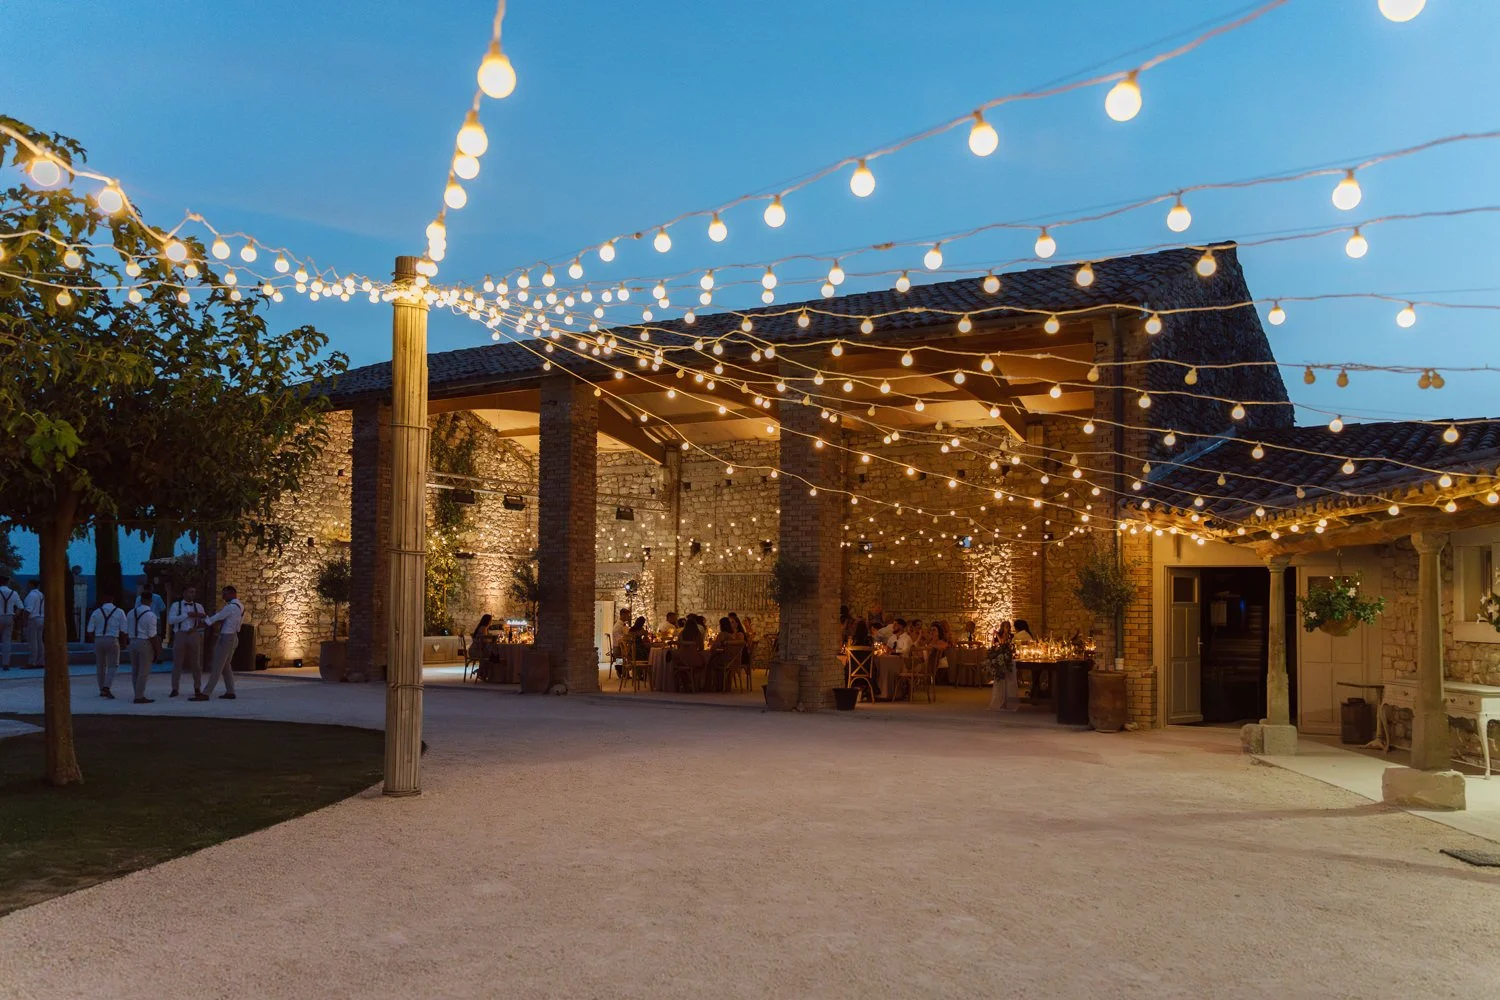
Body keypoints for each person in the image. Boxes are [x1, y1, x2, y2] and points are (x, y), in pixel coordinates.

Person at [195, 586, 243, 701]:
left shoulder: (230, 607)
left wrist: (204, 620)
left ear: (232, 593)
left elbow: (216, 618)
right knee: (226, 666)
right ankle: (230, 691)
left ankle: (206, 693)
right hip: (233, 637)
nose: (223, 597)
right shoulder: (241, 606)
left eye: (225, 594)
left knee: (217, 666)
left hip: (226, 637)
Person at [168, 586, 207, 698]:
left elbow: (204, 620)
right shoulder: (176, 605)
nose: (192, 594)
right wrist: (186, 615)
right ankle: (175, 688)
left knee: (196, 663)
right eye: (190, 592)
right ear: (184, 593)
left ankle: (197, 688)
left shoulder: (198, 606)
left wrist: (200, 621)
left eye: (194, 592)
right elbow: (171, 620)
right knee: (177, 663)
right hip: (180, 634)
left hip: (194, 634)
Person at [86, 593, 128, 698]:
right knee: (113, 664)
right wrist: (124, 643)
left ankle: (101, 689)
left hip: (99, 639)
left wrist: (94, 641)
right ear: (112, 599)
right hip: (112, 639)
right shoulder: (119, 612)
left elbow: (89, 630)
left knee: (100, 665)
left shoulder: (96, 612)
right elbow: (124, 630)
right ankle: (107, 687)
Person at [125, 598, 161, 704]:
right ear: (150, 602)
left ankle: (137, 693)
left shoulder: (131, 613)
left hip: (133, 641)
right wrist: (158, 649)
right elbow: (152, 635)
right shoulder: (151, 615)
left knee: (135, 669)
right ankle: (139, 696)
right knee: (143, 671)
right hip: (144, 642)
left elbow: (127, 629)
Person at [0, 576, 21, 670]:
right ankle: (6, 663)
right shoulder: (14, 593)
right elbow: (20, 607)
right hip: (9, 616)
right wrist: (14, 616)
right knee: (7, 641)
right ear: (7, 582)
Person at [23, 579, 45, 669]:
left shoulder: (31, 595)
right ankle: (41, 661)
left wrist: (24, 620)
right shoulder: (41, 595)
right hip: (41, 618)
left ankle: (32, 661)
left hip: (33, 618)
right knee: (40, 640)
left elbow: (29, 609)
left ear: (31, 585)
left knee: (33, 641)